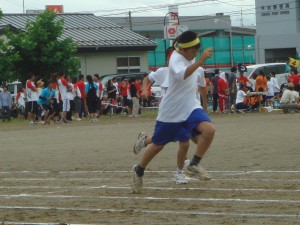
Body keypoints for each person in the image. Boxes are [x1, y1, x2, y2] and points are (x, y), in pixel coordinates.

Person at [131, 31, 215, 194]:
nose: (197, 52)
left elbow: (202, 87)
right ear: (185, 49)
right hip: (172, 111)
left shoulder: (195, 65)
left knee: (208, 131)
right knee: (158, 144)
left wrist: (204, 107)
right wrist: (201, 60)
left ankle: (192, 165)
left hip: (190, 107)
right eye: (194, 50)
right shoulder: (175, 60)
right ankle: (139, 170)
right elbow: (182, 74)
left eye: (199, 50)